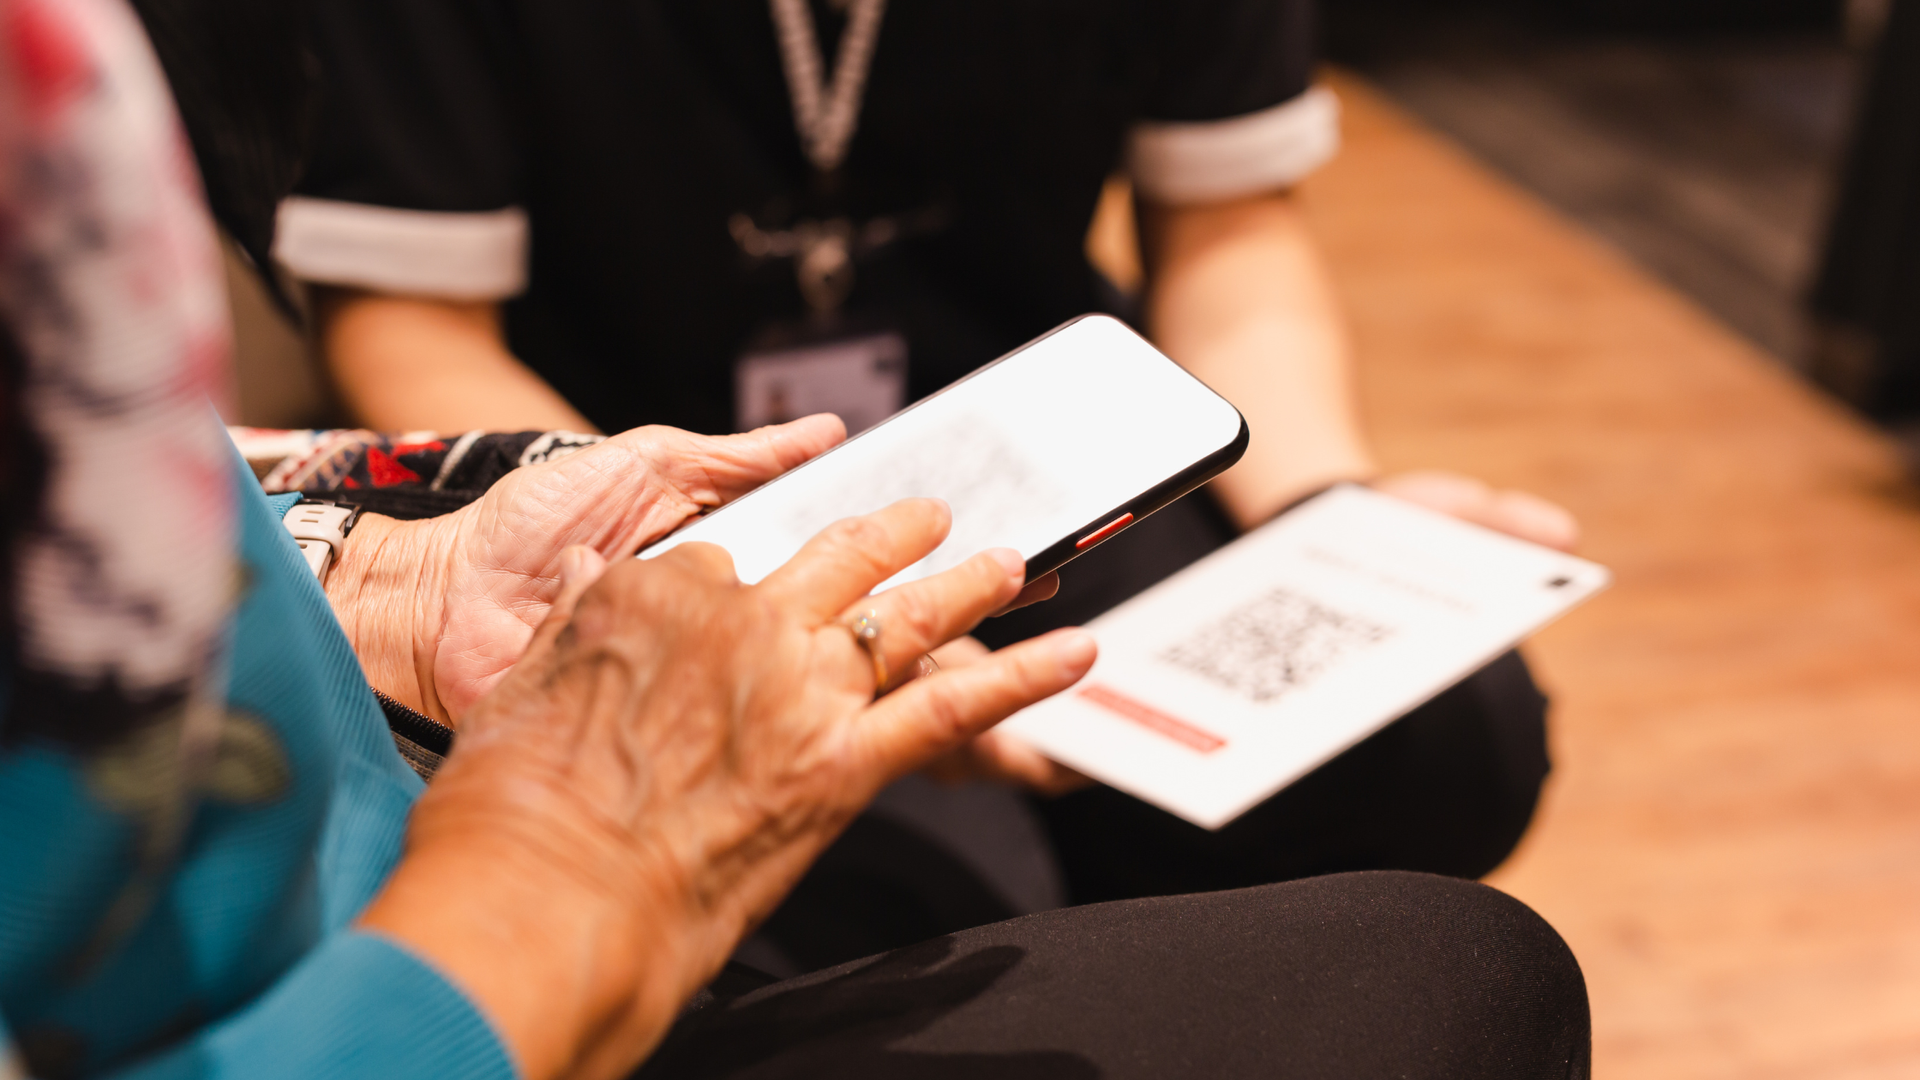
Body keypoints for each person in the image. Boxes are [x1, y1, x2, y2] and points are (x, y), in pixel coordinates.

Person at [0, 4, 1596, 1077]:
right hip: (687, 521)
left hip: (1025, 469)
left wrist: (1331, 506)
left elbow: (1236, 235)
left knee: (1450, 737)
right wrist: (587, 807)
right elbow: (409, 329)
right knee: (1345, 962)